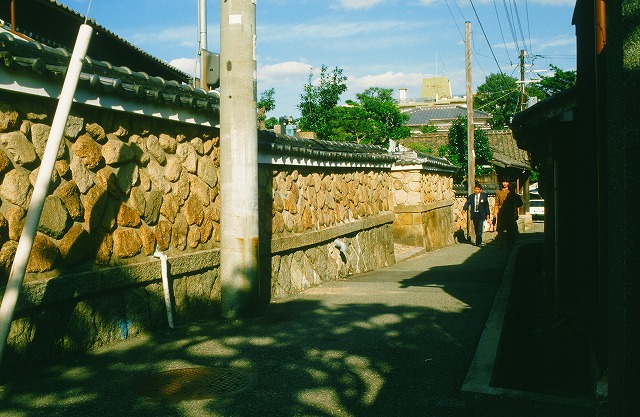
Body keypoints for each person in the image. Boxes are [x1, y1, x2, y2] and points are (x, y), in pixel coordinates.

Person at [500, 182, 523, 248]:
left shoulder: (508, 196)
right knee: (512, 228)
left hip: (508, 213)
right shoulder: (515, 196)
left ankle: (508, 242)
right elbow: (520, 203)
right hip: (511, 213)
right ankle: (510, 242)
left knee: (509, 229)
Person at [494, 179, 511, 247]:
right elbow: (496, 203)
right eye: (503, 181)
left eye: (506, 182)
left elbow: (513, 203)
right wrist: (495, 213)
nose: (505, 183)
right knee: (500, 228)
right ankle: (500, 242)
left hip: (509, 211)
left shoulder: (510, 192)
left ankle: (508, 242)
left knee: (508, 228)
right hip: (501, 211)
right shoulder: (498, 192)